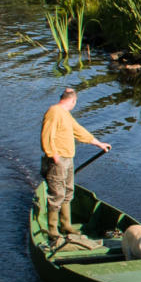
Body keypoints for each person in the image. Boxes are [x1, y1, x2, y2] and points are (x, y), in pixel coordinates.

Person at [40, 86, 110, 244]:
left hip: (68, 159)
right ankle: (53, 230)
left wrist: (98, 143)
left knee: (68, 191)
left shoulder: (65, 114)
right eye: (75, 103)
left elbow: (78, 131)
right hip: (58, 160)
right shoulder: (54, 112)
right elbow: (46, 134)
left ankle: (66, 225)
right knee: (57, 194)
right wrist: (53, 155)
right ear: (72, 101)